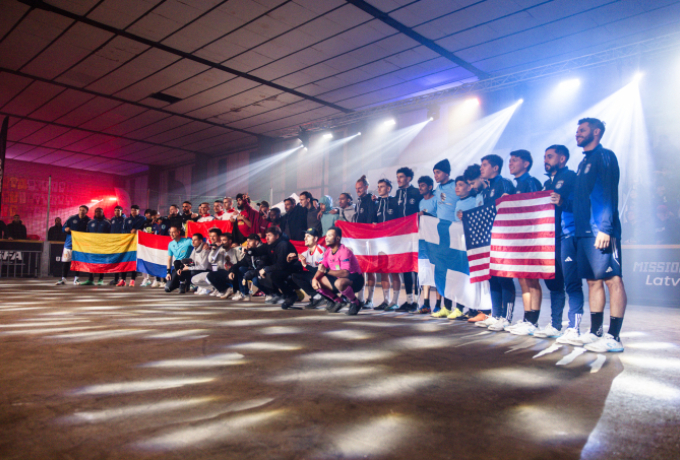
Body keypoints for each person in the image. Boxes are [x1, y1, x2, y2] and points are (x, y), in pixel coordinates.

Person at [569, 117, 627, 353]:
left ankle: (614, 337)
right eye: (577, 130)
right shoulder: (583, 162)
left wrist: (606, 228)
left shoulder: (605, 156)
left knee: (613, 280)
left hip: (601, 230)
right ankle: (595, 332)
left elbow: (609, 193)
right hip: (584, 232)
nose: (577, 134)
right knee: (593, 281)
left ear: (596, 132)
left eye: (582, 130)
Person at [539, 145, 584, 343]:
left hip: (566, 236)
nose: (546, 160)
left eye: (550, 156)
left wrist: (562, 202)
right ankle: (556, 325)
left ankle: (574, 327)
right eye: (544, 157)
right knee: (554, 283)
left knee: (572, 283)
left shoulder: (572, 177)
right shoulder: (546, 183)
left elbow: (582, 204)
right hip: (547, 238)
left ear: (562, 159)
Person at [475, 154, 517, 332]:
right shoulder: (486, 190)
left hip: (504, 238)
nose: (481, 168)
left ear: (495, 168)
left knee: (504, 277)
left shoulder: (505, 184)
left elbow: (512, 209)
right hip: (489, 238)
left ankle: (507, 318)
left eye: (484, 165)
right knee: (492, 277)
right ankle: (496, 315)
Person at [506, 150, 544, 335]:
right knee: (522, 279)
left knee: (532, 279)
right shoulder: (516, 185)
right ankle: (527, 318)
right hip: (519, 239)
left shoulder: (532, 182)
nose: (510, 164)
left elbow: (537, 210)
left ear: (526, 164)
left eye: (515, 160)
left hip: (531, 238)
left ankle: (533, 321)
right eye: (510, 161)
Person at [446, 175, 482, 320]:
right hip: (459, 244)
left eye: (461, 185)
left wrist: (467, 217)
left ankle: (473, 308)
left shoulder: (474, 201)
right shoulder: (457, 203)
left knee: (470, 276)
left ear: (469, 187)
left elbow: (478, 219)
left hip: (472, 244)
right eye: (456, 185)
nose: (457, 188)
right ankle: (460, 308)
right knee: (460, 276)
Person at [430, 159, 462, 319]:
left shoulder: (456, 186)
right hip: (441, 235)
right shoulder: (437, 189)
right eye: (434, 172)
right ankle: (447, 307)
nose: (435, 175)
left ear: (446, 173)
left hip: (456, 233)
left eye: (438, 172)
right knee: (445, 271)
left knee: (458, 272)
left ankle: (460, 307)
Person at [312, 227, 365, 316]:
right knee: (317, 282)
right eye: (326, 236)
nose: (326, 238)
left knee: (339, 283)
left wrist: (326, 271)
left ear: (337, 238)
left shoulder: (344, 252)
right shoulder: (328, 251)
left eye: (330, 236)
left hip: (355, 280)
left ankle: (355, 302)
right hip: (338, 277)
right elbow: (322, 268)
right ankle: (339, 301)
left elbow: (345, 273)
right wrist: (314, 279)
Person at [394, 167, 422, 313]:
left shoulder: (416, 193)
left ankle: (417, 301)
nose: (398, 179)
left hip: (416, 235)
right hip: (402, 236)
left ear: (409, 178)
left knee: (416, 268)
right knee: (405, 267)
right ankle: (409, 300)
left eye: (401, 177)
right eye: (397, 177)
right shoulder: (398, 193)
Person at [373, 178, 401, 311]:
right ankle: (386, 300)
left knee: (394, 272)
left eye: (382, 186)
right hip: (380, 243)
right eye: (378, 186)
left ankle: (395, 301)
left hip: (393, 242)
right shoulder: (376, 204)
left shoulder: (395, 202)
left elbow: (401, 220)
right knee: (383, 272)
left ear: (389, 188)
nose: (379, 189)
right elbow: (374, 223)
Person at [258, 226, 301, 309]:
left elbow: (281, 265)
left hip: (292, 269)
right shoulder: (271, 245)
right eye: (266, 235)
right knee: (261, 274)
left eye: (269, 235)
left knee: (274, 275)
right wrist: (249, 251)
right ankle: (279, 295)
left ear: (277, 236)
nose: (266, 238)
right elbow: (260, 253)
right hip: (283, 268)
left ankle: (291, 295)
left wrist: (266, 269)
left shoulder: (283, 244)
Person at [416, 175, 441, 314]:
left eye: (423, 185)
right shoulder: (420, 202)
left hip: (435, 240)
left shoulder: (436, 200)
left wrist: (426, 216)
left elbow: (439, 218)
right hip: (423, 242)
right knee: (425, 270)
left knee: (436, 271)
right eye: (419, 185)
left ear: (430, 187)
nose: (420, 188)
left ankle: (438, 304)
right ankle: (426, 303)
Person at [354, 175, 377, 307]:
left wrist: (367, 238)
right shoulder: (358, 202)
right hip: (359, 240)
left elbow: (371, 220)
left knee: (370, 269)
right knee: (360, 269)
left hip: (369, 240)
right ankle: (361, 298)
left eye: (360, 188)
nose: (358, 190)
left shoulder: (372, 200)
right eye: (356, 188)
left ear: (366, 187)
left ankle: (370, 300)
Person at [290, 228, 326, 309]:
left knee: (312, 276)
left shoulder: (321, 251)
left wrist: (306, 265)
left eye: (308, 236)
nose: (305, 238)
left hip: (326, 277)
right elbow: (295, 266)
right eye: (305, 236)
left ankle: (324, 297)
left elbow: (322, 271)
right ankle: (316, 296)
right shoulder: (306, 252)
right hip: (316, 276)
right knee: (295, 275)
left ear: (315, 239)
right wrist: (287, 261)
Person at [229, 233, 270, 301]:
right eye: (247, 241)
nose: (247, 243)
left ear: (256, 242)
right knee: (240, 269)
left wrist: (248, 275)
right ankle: (245, 294)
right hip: (254, 271)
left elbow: (260, 268)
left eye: (250, 241)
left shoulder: (263, 251)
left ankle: (269, 293)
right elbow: (241, 263)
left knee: (255, 280)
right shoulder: (250, 251)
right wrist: (232, 271)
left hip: (264, 272)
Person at [55, 205, 90, 286]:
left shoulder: (89, 221)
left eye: (83, 210)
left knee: (77, 262)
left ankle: (76, 279)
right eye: (80, 209)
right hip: (69, 245)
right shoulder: (72, 218)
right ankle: (63, 279)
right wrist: (65, 229)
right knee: (65, 262)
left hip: (80, 246)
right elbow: (63, 228)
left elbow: (90, 232)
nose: (81, 211)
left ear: (86, 212)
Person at [81, 207, 111, 286]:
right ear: (94, 213)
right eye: (96, 211)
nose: (98, 213)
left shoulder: (107, 223)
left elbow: (110, 235)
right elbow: (87, 234)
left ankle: (100, 279)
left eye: (100, 211)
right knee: (91, 262)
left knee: (102, 263)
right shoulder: (90, 222)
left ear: (102, 212)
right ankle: (90, 280)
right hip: (92, 246)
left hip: (102, 246)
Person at [119, 205, 146, 287]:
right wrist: (128, 233)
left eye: (135, 210)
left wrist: (137, 230)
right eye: (132, 210)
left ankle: (132, 280)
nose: (133, 211)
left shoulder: (143, 219)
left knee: (134, 261)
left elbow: (145, 230)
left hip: (138, 242)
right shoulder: (127, 220)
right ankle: (123, 280)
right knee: (125, 260)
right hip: (128, 243)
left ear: (138, 211)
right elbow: (124, 230)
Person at [164, 226, 193, 293]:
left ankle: (183, 282)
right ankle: (182, 283)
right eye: (170, 232)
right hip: (178, 266)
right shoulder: (171, 244)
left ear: (178, 232)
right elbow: (169, 259)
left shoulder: (187, 241)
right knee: (167, 288)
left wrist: (204, 246)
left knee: (177, 262)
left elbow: (197, 244)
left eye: (173, 232)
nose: (171, 234)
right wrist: (168, 272)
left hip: (187, 265)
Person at [109, 206, 127, 286]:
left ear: (121, 211)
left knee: (122, 261)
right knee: (115, 261)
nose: (117, 212)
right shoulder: (112, 219)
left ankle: (123, 279)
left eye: (118, 210)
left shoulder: (125, 220)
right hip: (114, 243)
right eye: (115, 210)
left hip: (122, 243)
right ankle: (116, 279)